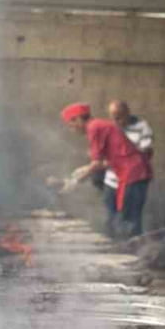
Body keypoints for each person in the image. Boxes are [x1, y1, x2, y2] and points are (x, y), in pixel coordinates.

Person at [60, 103, 152, 233]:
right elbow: (115, 156)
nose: (72, 129)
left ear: (79, 119)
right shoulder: (99, 125)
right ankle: (125, 242)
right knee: (122, 218)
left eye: (71, 124)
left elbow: (97, 163)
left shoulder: (94, 128)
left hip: (133, 173)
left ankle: (132, 244)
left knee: (129, 220)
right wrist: (85, 169)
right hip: (130, 173)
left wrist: (75, 181)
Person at [102, 100, 154, 238]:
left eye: (119, 117)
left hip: (133, 181)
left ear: (127, 113)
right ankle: (112, 246)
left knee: (132, 219)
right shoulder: (109, 128)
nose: (116, 121)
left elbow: (145, 152)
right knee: (110, 217)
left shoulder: (142, 127)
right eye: (113, 117)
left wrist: (122, 155)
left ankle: (133, 247)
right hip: (111, 181)